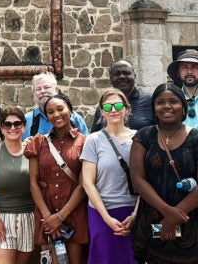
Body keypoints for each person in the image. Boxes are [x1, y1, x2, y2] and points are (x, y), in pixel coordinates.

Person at [130, 83, 198, 264]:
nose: (166, 106)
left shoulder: (197, 139)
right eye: (160, 102)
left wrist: (174, 217)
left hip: (190, 221)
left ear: (183, 107)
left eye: (173, 101)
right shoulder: (143, 137)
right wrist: (167, 212)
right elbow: (138, 179)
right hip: (152, 218)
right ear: (154, 109)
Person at [24, 93, 89, 264]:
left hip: (75, 211)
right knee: (51, 261)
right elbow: (33, 183)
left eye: (60, 109)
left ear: (70, 111)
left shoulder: (85, 142)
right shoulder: (38, 142)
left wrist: (60, 216)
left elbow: (83, 184)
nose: (56, 114)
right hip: (46, 211)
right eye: (50, 112)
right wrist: (48, 217)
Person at [81, 88, 138, 264]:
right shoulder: (93, 140)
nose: (113, 110)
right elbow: (88, 183)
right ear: (101, 112)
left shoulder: (139, 138)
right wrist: (106, 218)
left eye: (118, 105)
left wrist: (136, 214)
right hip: (101, 211)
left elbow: (145, 181)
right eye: (107, 107)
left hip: (132, 210)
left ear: (126, 109)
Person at [0, 107, 35, 264]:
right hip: (1, 218)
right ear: (1, 128)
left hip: (28, 218)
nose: (12, 128)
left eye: (17, 124)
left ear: (24, 126)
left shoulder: (32, 152)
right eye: (7, 124)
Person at [90, 60, 155, 132]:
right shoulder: (105, 106)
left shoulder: (150, 101)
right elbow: (95, 135)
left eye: (126, 73)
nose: (121, 77)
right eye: (116, 74)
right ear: (110, 80)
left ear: (135, 77)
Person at [22, 72, 88, 140]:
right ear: (34, 93)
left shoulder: (75, 119)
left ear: (56, 90)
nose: (42, 91)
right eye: (38, 89)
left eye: (46, 87)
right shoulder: (26, 120)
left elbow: (86, 145)